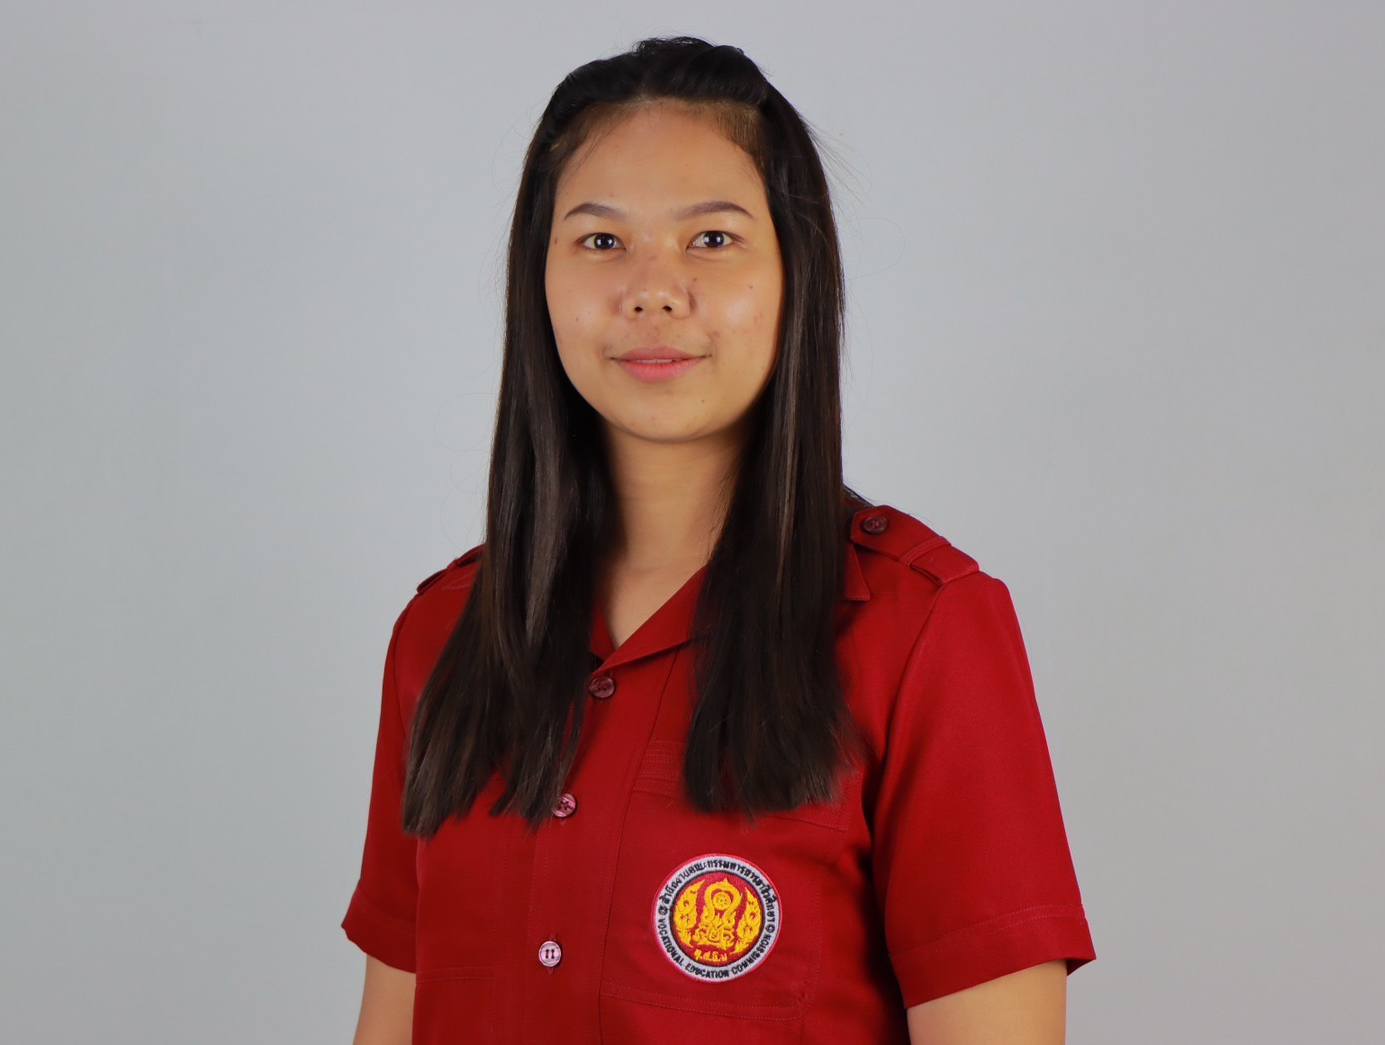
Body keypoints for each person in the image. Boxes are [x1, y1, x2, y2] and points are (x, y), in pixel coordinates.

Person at [342, 35, 1096, 1044]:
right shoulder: (443, 635)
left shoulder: (923, 628)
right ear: (537, 279)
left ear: (795, 275)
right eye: (599, 241)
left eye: (710, 238)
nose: (652, 289)